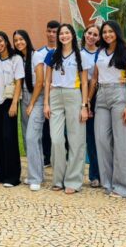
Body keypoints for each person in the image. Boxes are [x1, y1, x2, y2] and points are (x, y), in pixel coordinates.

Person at [94, 20, 126, 198]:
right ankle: (108, 183)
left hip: (119, 94)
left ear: (117, 33)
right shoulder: (100, 52)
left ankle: (125, 187)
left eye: (110, 31)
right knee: (101, 138)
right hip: (101, 95)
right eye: (104, 32)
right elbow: (95, 77)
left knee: (122, 141)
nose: (107, 35)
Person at [43, 24, 89, 194]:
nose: (63, 36)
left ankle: (73, 181)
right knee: (56, 140)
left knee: (76, 139)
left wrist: (84, 106)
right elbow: (47, 81)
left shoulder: (81, 55)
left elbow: (85, 82)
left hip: (74, 95)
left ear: (72, 35)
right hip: (55, 97)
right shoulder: (52, 55)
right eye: (61, 33)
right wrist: (46, 104)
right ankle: (58, 179)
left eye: (67, 33)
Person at [0, 31, 24, 187]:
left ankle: (13, 176)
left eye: (0, 41)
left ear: (6, 41)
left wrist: (14, 103)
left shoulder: (15, 59)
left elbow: (18, 82)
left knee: (9, 138)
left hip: (8, 101)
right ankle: (1, 173)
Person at [12, 30, 45, 190]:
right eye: (16, 40)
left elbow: (40, 81)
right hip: (23, 98)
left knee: (32, 137)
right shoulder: (19, 58)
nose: (19, 42)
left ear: (27, 39)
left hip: (36, 98)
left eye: (21, 39)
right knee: (28, 138)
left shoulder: (36, 55)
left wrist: (31, 103)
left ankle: (35, 178)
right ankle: (38, 173)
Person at [36, 19, 60, 168]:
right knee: (45, 126)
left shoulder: (64, 51)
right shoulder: (39, 53)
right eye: (49, 31)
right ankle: (46, 156)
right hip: (45, 94)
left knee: (60, 128)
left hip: (61, 93)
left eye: (55, 32)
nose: (52, 34)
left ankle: (61, 155)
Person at [80, 24, 101, 187]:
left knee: (96, 136)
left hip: (97, 95)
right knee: (83, 136)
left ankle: (97, 174)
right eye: (89, 33)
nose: (91, 36)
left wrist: (89, 100)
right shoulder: (77, 53)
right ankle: (80, 173)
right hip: (79, 93)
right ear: (84, 34)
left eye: (95, 34)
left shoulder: (102, 54)